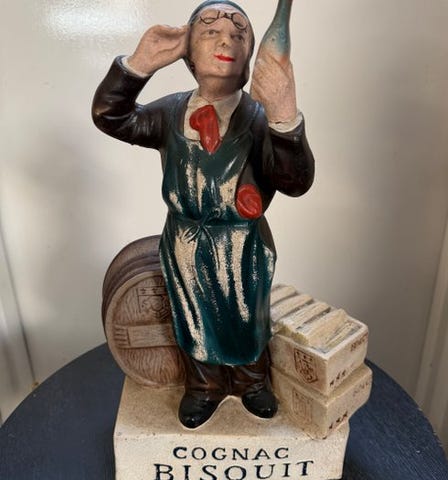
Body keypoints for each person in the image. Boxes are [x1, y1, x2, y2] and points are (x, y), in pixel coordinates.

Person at [92, 0, 314, 429]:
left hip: (242, 242)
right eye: (210, 30)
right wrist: (137, 67)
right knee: (193, 316)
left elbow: (295, 181)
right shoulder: (170, 112)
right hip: (185, 239)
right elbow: (111, 116)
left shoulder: (259, 119)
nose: (225, 39)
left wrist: (285, 116)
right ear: (188, 50)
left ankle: (251, 380)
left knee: (247, 316)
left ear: (251, 57)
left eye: (239, 33)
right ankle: (203, 385)